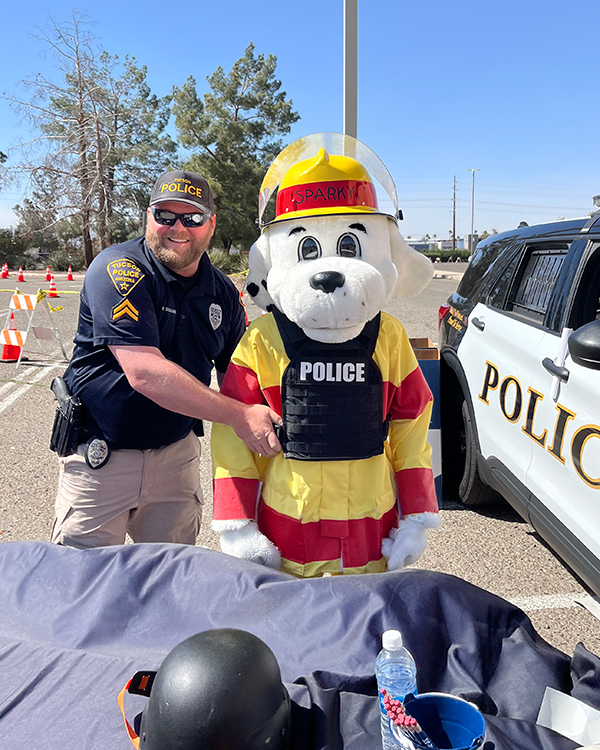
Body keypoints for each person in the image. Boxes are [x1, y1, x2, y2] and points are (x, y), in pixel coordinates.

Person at [51, 170, 280, 549]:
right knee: (85, 590)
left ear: (210, 225)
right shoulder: (119, 268)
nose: (178, 228)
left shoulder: (221, 292)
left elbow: (240, 376)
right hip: (102, 460)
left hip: (176, 461)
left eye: (192, 218)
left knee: (167, 587)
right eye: (165, 216)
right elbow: (144, 372)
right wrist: (240, 417)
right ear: (148, 217)